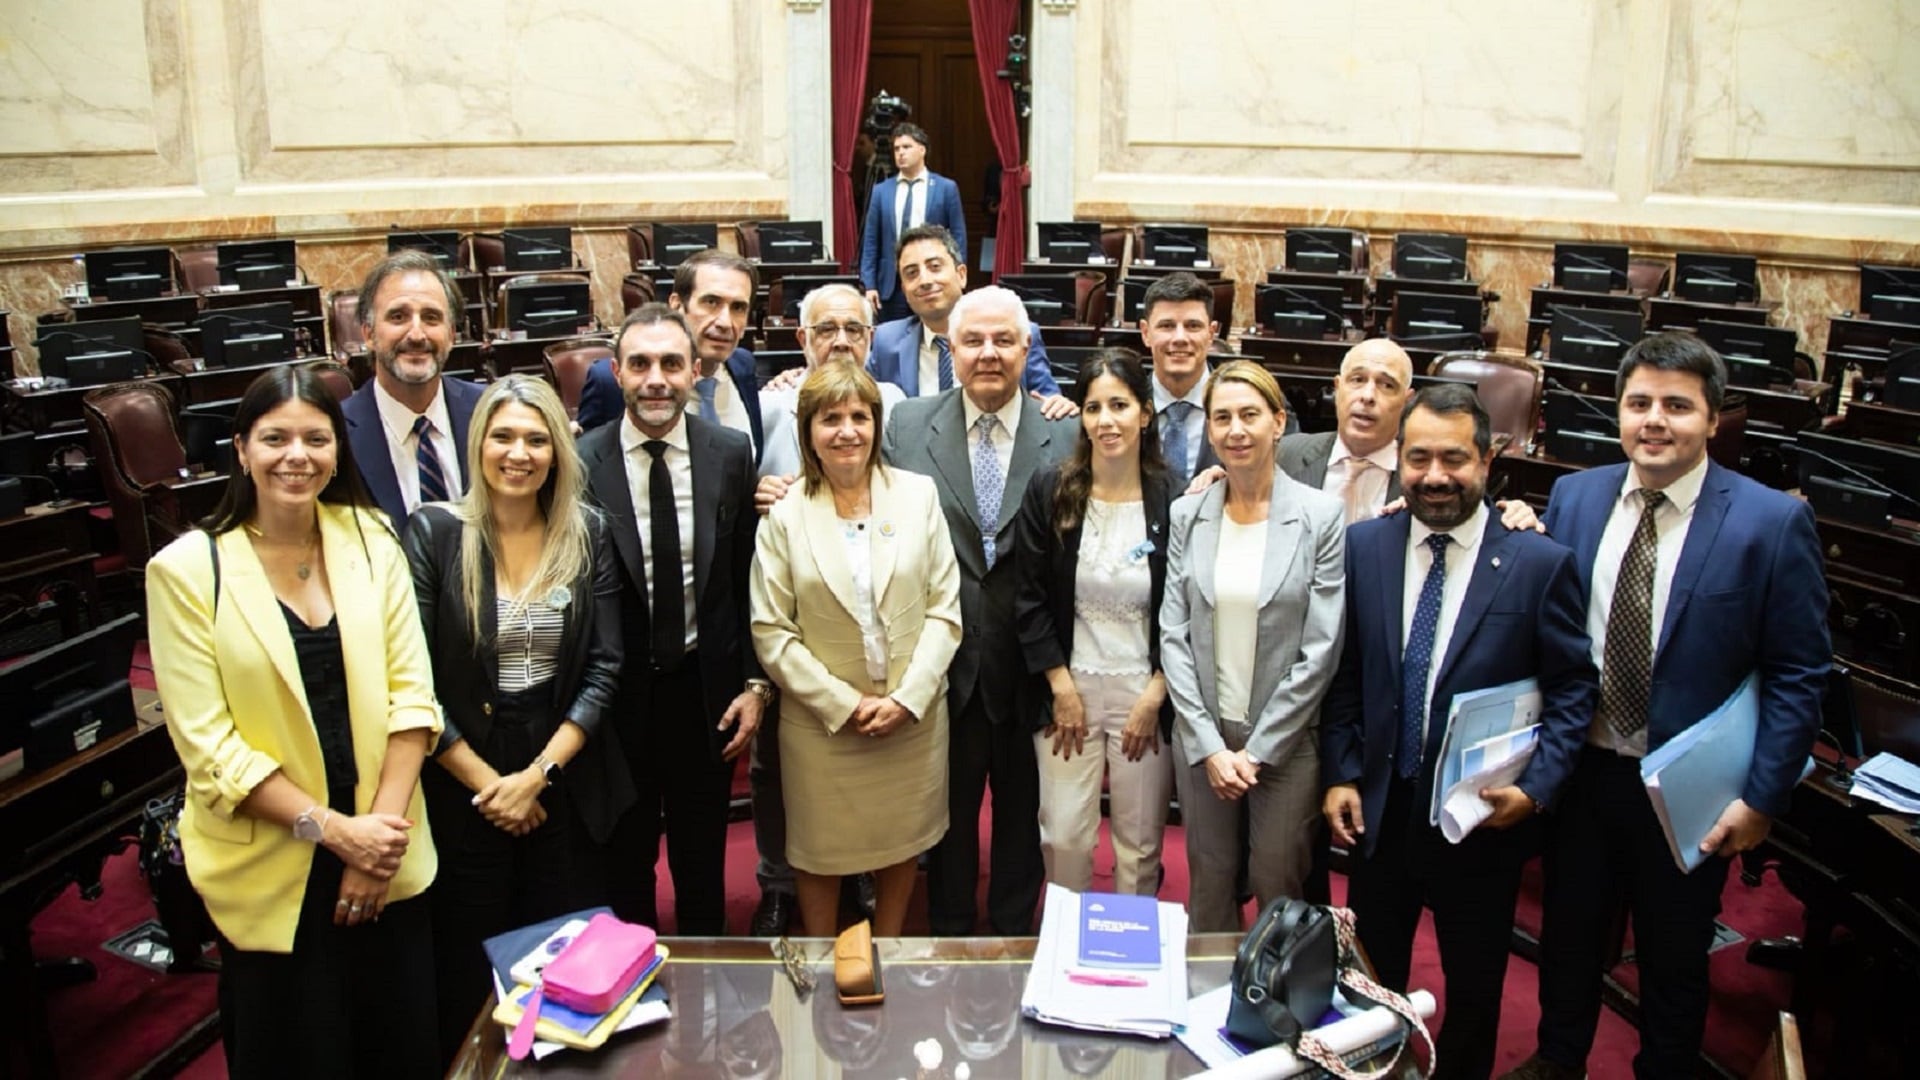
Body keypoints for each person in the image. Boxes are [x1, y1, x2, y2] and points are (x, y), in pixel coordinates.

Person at [1502, 334, 1830, 1080]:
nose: (1655, 420)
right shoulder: (1577, 496)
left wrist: (1762, 797)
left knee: (1674, 954)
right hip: (1581, 771)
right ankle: (1558, 1060)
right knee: (1571, 936)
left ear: (1713, 420)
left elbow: (1798, 672)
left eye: (1677, 406)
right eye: (1639, 402)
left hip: (1690, 789)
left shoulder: (1771, 522)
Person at [145, 366, 440, 1077]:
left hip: (386, 848)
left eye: (316, 438)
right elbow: (210, 750)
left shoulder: (370, 538)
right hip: (277, 862)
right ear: (241, 449)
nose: (296, 456)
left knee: (399, 1048)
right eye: (275, 438)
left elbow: (414, 697)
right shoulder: (187, 571)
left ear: (338, 450)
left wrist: (378, 839)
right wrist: (336, 834)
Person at [1321, 384, 1598, 1080]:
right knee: (1369, 980)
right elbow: (1346, 673)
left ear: (1488, 459)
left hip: (1480, 817)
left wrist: (1535, 792)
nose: (1435, 476)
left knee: (1473, 987)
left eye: (1454, 458)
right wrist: (1341, 772)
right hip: (1381, 808)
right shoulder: (1365, 545)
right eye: (1418, 458)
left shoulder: (1539, 564)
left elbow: (1572, 691)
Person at [400, 375, 634, 1063]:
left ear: (557, 451)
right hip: (461, 766)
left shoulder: (586, 532)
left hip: (563, 764)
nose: (519, 452)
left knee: (563, 954)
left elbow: (604, 667)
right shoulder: (436, 533)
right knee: (469, 963)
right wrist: (490, 787)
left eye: (536, 438)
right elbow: (411, 680)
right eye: (503, 436)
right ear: (479, 446)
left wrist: (535, 777)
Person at [882, 285, 1080, 935]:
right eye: (973, 341)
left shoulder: (1070, 430)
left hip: (1034, 666)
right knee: (947, 820)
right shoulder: (908, 425)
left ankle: (1015, 943)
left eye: (1003, 340)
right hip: (943, 666)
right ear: (951, 351)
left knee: (1025, 818)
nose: (988, 353)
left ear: (1028, 348)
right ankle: (948, 936)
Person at [750, 363, 963, 937]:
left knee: (901, 841)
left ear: (876, 423)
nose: (847, 431)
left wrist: (907, 698)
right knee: (821, 851)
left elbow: (945, 611)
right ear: (808, 430)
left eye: (859, 417)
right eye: (831, 419)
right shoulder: (785, 515)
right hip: (824, 729)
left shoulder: (918, 496)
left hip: (910, 720)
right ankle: (822, 951)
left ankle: (888, 944)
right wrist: (844, 704)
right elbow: (771, 631)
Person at [578, 303, 768, 934]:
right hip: (615, 701)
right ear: (616, 372)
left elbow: (746, 579)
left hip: (702, 692)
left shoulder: (730, 452)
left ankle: (710, 997)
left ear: (693, 373)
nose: (655, 379)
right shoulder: (580, 462)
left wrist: (753, 683)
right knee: (624, 866)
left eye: (670, 364)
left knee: (701, 864)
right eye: (640, 364)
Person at [1160, 360, 1345, 932]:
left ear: (1278, 422)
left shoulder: (1320, 516)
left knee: (1277, 886)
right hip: (1205, 740)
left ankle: (1275, 1014)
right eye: (1222, 418)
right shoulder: (1188, 513)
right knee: (1209, 884)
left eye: (1249, 415)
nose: (1235, 430)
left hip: (1284, 746)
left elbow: (1321, 648)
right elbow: (1173, 633)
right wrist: (1210, 746)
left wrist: (1257, 751)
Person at [747, 282, 902, 935]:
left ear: (871, 340)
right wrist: (761, 489)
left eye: (855, 329)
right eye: (825, 329)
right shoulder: (766, 406)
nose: (840, 340)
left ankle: (864, 874)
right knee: (780, 773)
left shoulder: (896, 404)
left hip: (874, 620)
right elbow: (730, 480)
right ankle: (780, 885)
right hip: (788, 617)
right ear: (800, 339)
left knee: (871, 771)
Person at [1012, 348, 1176, 895]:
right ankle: (1067, 958)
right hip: (1069, 690)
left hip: (1146, 694)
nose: (1106, 420)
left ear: (1146, 413)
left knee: (1139, 842)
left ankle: (1133, 964)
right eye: (1092, 407)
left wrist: (1155, 695)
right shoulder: (1051, 489)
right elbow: (1029, 597)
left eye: (1120, 405)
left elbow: (1186, 610)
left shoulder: (1175, 497)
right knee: (1064, 836)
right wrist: (1060, 686)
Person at [865, 224, 1074, 418]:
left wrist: (1058, 405)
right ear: (904, 290)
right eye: (912, 273)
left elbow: (1048, 403)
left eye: (935, 267)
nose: (925, 281)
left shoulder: (1015, 333)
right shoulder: (886, 342)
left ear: (961, 275)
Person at [341, 250, 486, 528]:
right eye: (398, 317)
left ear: (452, 335)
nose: (417, 334)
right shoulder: (336, 434)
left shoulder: (488, 411)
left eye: (431, 318)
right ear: (369, 334)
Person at [577, 249, 764, 454]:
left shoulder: (743, 365)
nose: (725, 323)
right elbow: (587, 466)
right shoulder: (608, 383)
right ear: (677, 305)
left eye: (738, 307)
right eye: (711, 302)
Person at [1280, 339, 1414, 522]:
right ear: (1338, 388)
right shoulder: (1284, 455)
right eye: (1357, 379)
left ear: (1406, 401)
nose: (1368, 396)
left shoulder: (1421, 479)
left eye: (1387, 385)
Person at [860, 123, 967, 322]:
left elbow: (958, 237)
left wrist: (957, 279)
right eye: (897, 149)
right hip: (891, 287)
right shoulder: (881, 191)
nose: (900, 153)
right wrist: (869, 285)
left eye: (906, 147)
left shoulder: (946, 188)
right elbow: (871, 241)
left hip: (932, 283)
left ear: (922, 150)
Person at [1140, 272, 1224, 490]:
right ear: (1146, 333)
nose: (1179, 338)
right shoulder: (1123, 405)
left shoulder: (1254, 407)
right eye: (1167, 326)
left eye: (1193, 326)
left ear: (1211, 333)